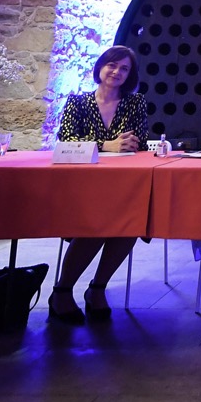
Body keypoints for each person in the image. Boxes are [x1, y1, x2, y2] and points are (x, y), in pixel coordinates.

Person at [48, 45, 149, 325]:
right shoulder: (78, 102)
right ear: (101, 67)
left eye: (124, 68)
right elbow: (67, 141)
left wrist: (114, 146)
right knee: (96, 224)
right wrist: (107, 145)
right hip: (82, 186)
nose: (117, 72)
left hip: (122, 184)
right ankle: (62, 291)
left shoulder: (135, 102)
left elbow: (138, 141)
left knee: (131, 224)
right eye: (112, 65)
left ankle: (97, 288)